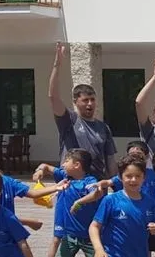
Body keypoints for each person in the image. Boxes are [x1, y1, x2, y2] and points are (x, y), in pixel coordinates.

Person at [37, 149, 100, 257]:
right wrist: (39, 171)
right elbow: (45, 166)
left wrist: (79, 201)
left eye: (66, 161)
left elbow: (96, 193)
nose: (62, 164)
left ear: (77, 165)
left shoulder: (89, 180)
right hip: (67, 229)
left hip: (87, 232)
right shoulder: (64, 176)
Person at [49, 42, 117, 178]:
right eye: (85, 100)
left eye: (92, 99)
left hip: (95, 185)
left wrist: (114, 184)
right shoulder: (69, 120)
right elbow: (53, 97)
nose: (90, 104)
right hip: (70, 184)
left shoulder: (103, 128)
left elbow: (110, 161)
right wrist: (57, 65)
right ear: (75, 101)